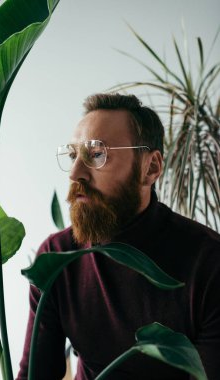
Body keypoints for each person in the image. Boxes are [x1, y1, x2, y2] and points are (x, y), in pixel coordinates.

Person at [16, 93, 220, 380]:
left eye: (97, 154)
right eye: (74, 156)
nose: (75, 174)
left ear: (151, 168)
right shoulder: (57, 257)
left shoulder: (209, 264)